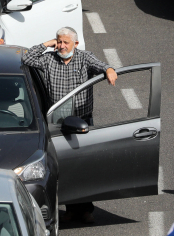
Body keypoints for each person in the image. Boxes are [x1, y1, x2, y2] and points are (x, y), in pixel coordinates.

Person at [22, 27, 118, 223]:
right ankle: (71, 210)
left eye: (66, 42)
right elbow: (27, 59)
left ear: (75, 44)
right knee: (62, 165)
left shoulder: (84, 58)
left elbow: (102, 65)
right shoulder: (48, 59)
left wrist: (109, 70)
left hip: (82, 120)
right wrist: (47, 44)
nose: (62, 45)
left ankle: (85, 210)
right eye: (59, 41)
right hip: (57, 121)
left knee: (83, 165)